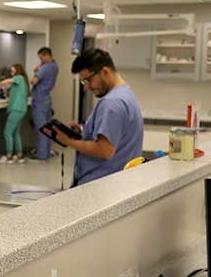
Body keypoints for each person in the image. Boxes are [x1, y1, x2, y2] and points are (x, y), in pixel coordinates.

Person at [52, 48, 143, 187]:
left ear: (105, 72)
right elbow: (115, 136)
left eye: (88, 80)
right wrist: (84, 132)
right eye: (84, 82)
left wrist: (68, 141)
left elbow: (104, 150)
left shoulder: (111, 103)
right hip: (120, 183)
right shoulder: (126, 94)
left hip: (101, 186)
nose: (87, 87)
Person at [0, 63, 29, 164]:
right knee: (16, 133)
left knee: (7, 132)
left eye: (13, 70)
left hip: (17, 109)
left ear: (18, 71)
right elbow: (10, 99)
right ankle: (19, 155)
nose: (11, 72)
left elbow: (8, 81)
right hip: (20, 109)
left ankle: (8, 156)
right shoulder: (17, 84)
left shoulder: (20, 78)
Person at [31, 47, 59, 161]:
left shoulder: (45, 68)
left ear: (46, 55)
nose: (41, 61)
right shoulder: (55, 66)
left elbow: (34, 81)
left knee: (41, 129)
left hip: (39, 100)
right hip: (47, 100)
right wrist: (40, 66)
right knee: (47, 129)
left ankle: (41, 155)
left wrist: (36, 72)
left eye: (41, 58)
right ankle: (46, 153)